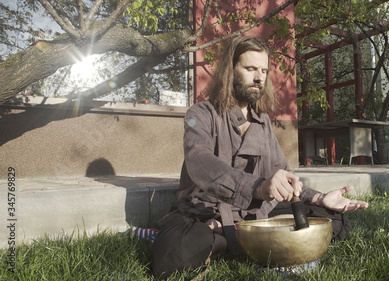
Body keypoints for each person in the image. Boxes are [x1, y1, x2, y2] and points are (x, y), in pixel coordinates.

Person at [151, 36, 369, 278]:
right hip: (205, 212)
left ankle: (224, 239)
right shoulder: (201, 113)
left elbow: (282, 171)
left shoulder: (263, 122)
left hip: (254, 215)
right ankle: (233, 240)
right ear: (229, 71)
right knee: (174, 254)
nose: (259, 78)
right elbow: (198, 160)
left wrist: (319, 198)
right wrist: (258, 187)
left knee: (334, 220)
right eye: (250, 69)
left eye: (264, 70)